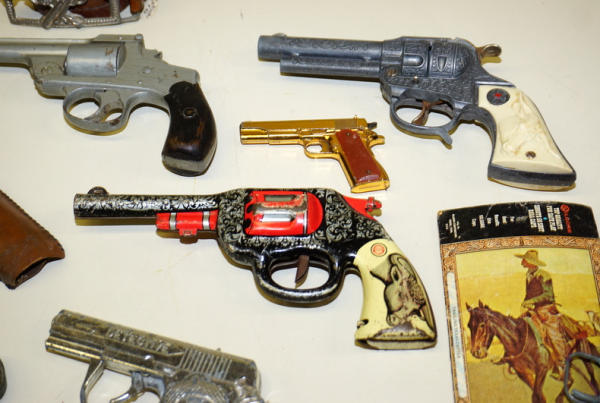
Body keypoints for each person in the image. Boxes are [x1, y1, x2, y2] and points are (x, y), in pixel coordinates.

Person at [516, 249, 570, 379]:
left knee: (553, 335)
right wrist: (526, 303)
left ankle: (563, 367)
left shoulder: (544, 275)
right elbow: (529, 294)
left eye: (524, 260)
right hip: (534, 309)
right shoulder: (528, 275)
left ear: (530, 262)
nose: (522, 262)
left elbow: (548, 295)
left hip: (546, 309)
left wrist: (531, 301)